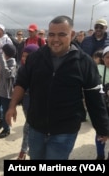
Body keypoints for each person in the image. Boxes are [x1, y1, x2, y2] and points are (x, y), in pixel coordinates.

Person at [6, 15, 109, 160]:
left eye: (62, 34)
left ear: (72, 35)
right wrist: (12, 106)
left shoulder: (84, 62)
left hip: (65, 131)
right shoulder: (36, 57)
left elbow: (94, 97)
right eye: (52, 34)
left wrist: (102, 128)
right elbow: (21, 82)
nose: (55, 39)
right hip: (36, 128)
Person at [17, 44, 39, 160]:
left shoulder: (43, 70)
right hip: (26, 103)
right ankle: (26, 149)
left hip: (38, 104)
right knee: (30, 126)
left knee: (29, 127)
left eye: (28, 56)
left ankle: (23, 151)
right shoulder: (22, 69)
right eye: (23, 56)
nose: (24, 59)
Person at [0, 43, 17, 138]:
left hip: (6, 93)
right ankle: (2, 120)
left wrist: (2, 60)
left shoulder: (12, 62)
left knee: (6, 110)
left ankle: (6, 129)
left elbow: (8, 74)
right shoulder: (4, 60)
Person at [96, 46, 109, 160]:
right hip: (102, 106)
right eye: (107, 57)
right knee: (101, 131)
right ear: (103, 58)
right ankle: (100, 155)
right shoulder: (97, 69)